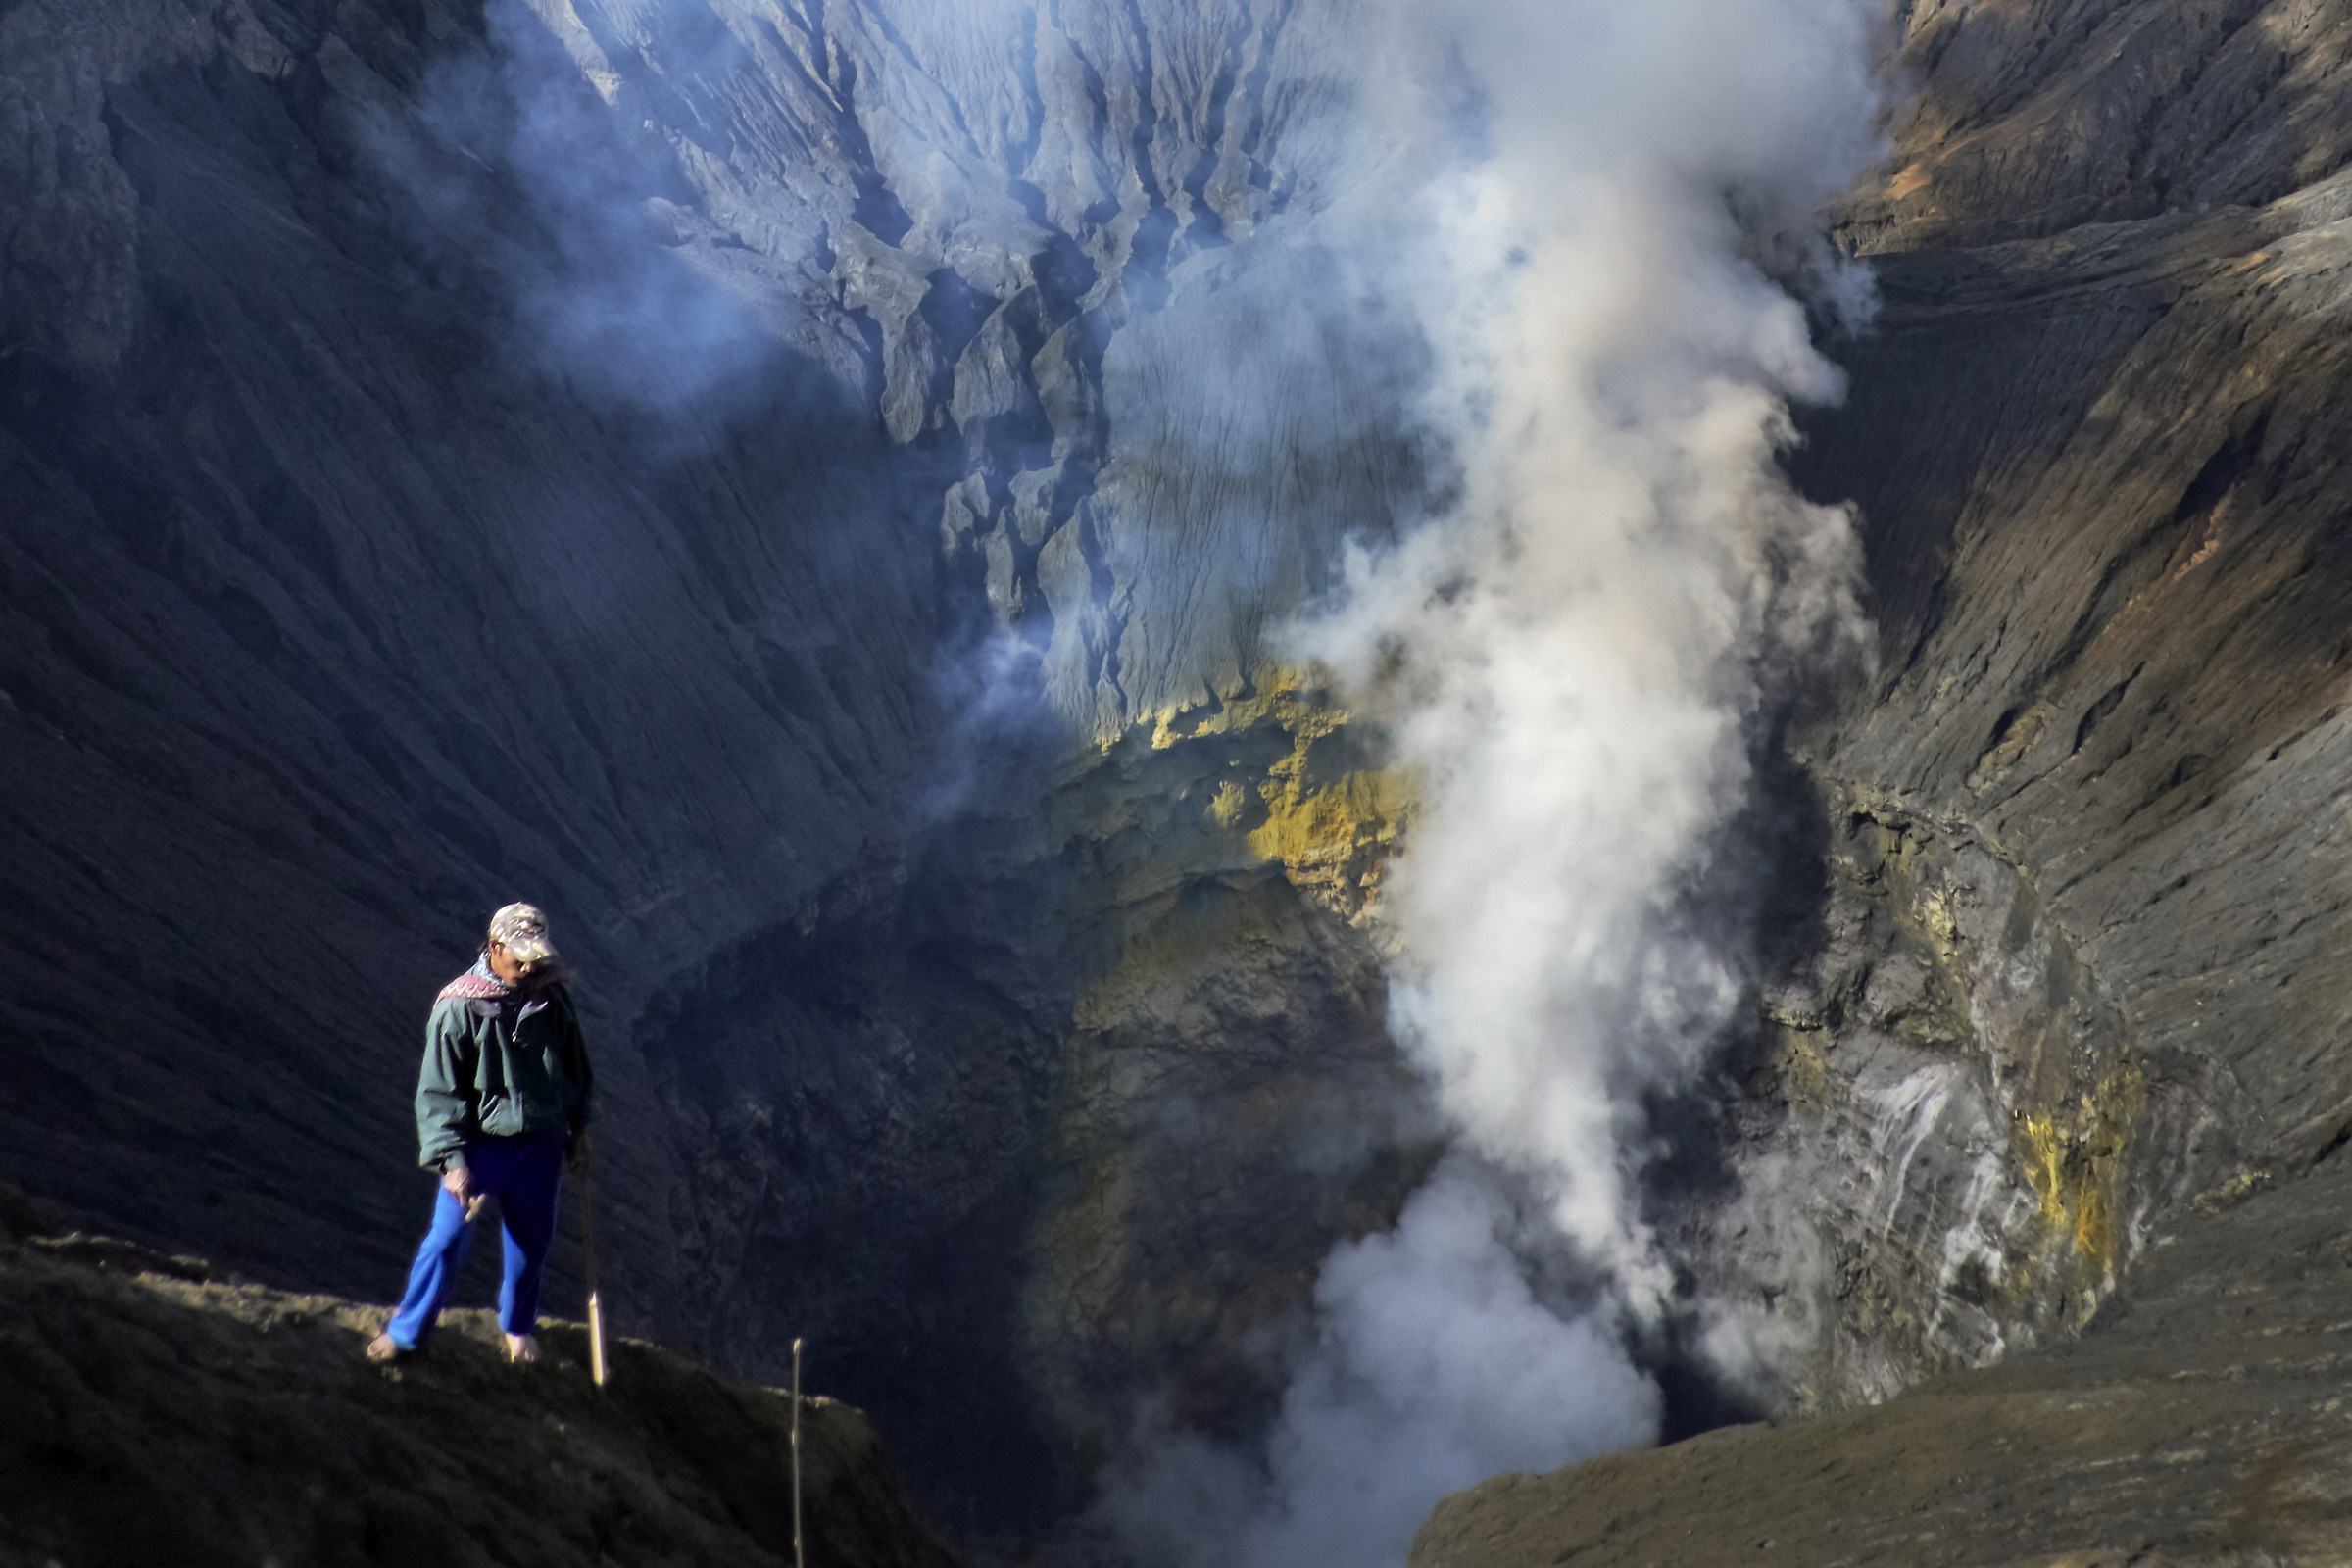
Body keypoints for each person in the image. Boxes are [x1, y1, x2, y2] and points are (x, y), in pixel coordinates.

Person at [367, 903, 594, 1365]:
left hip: (538, 1142)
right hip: (480, 1144)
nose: (530, 966)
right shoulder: (458, 1008)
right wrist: (451, 1161)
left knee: (531, 1242)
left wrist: (578, 1127)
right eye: (520, 956)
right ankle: (407, 1332)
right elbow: (438, 1091)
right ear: (495, 948)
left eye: (536, 956)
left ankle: (517, 1326)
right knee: (447, 1239)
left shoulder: (552, 999)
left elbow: (574, 1068)